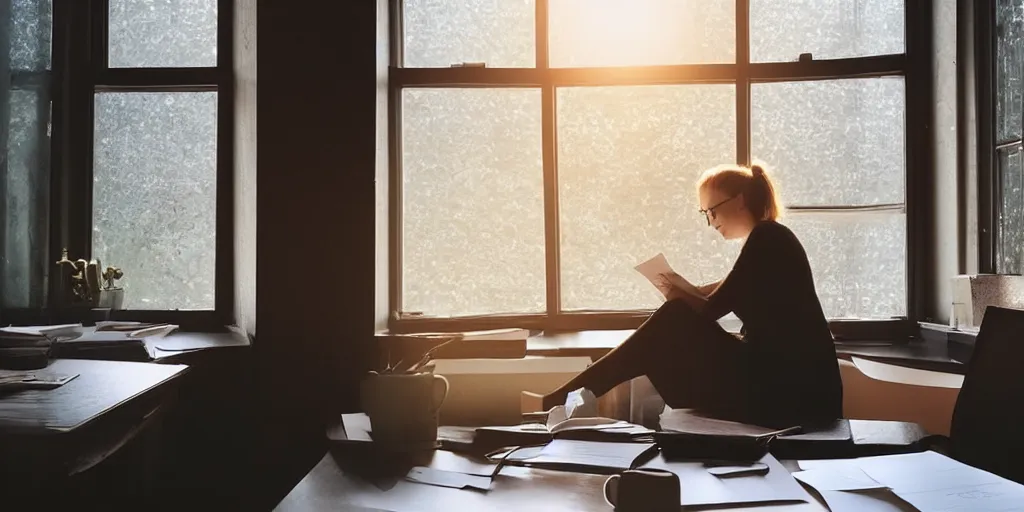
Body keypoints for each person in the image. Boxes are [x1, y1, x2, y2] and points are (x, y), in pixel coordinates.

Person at [533, 163, 843, 428]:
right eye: (705, 213)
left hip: (794, 395)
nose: (711, 222)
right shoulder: (768, 242)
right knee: (667, 330)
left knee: (673, 319)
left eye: (712, 210)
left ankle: (555, 402)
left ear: (740, 200)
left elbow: (710, 309)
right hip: (783, 385)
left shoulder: (768, 238)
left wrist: (679, 296)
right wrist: (677, 288)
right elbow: (716, 294)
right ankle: (561, 401)